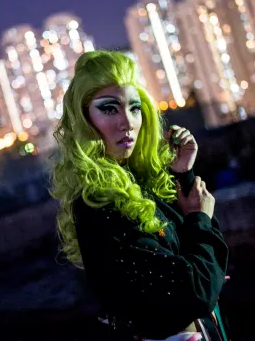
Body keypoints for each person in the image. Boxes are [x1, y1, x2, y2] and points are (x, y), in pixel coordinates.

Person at [51, 51, 229, 340]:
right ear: (84, 119)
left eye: (134, 108)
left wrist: (182, 175)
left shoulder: (136, 184)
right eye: (109, 109)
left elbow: (209, 262)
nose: (128, 122)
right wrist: (199, 219)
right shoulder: (100, 203)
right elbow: (197, 291)